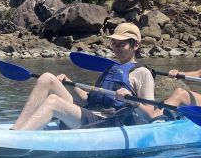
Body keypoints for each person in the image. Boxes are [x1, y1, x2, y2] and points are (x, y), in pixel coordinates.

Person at [11, 23, 155, 131]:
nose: (116, 48)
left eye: (122, 44)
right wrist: (68, 83)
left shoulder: (143, 73)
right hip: (89, 113)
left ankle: (20, 138)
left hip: (107, 121)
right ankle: (16, 130)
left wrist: (132, 100)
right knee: (47, 78)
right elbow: (87, 99)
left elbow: (150, 115)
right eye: (114, 43)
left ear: (136, 45)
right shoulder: (111, 68)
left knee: (53, 101)